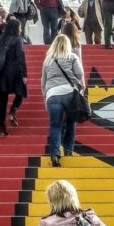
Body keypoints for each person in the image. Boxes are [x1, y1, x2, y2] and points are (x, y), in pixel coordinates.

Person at [41, 34, 85, 167]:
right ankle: (68, 151)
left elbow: (43, 81)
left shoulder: (48, 60)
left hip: (52, 94)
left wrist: (46, 97)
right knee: (70, 123)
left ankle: (54, 154)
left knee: (55, 125)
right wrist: (81, 88)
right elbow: (80, 74)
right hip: (69, 93)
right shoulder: (72, 57)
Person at [0, 19, 27, 135]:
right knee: (20, 93)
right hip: (14, 73)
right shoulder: (18, 39)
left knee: (2, 102)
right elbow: (20, 57)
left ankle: (2, 128)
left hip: (0, 75)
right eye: (20, 27)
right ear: (15, 28)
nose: (21, 29)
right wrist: (24, 74)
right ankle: (13, 111)